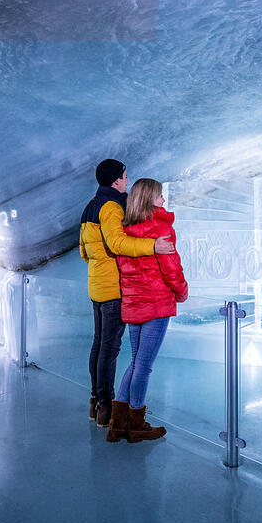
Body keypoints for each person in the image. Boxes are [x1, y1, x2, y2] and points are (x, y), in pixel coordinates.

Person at [79, 159, 174, 427]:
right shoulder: (110, 207)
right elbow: (117, 242)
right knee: (110, 348)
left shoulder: (90, 206)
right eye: (124, 176)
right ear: (116, 180)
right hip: (112, 287)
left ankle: (95, 401)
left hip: (96, 285)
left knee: (99, 345)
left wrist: (99, 266)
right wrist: (152, 246)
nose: (127, 181)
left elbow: (84, 251)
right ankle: (106, 408)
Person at [106, 178, 188, 443]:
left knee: (136, 363)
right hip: (156, 304)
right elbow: (171, 268)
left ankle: (118, 425)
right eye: (159, 196)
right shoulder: (161, 228)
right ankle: (136, 424)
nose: (163, 201)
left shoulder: (124, 231)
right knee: (144, 367)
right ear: (149, 199)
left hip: (134, 306)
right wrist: (182, 292)